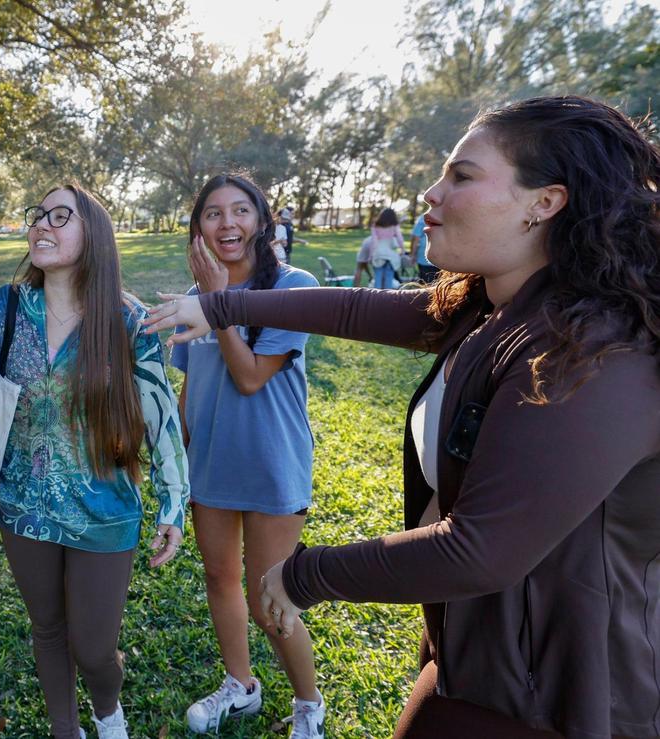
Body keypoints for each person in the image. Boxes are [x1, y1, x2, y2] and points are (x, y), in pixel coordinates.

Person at [144, 95, 660, 738]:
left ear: (544, 202)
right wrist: (219, 309)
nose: (431, 192)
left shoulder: (594, 351)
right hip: (477, 652)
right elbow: (355, 310)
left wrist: (306, 574)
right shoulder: (492, 309)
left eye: (461, 176)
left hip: (564, 696)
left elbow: (480, 551)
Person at [0, 184, 189, 739]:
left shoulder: (126, 319)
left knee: (94, 649)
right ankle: (64, 731)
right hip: (22, 504)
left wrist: (174, 503)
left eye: (59, 215)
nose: (42, 225)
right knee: (48, 629)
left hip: (104, 509)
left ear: (92, 233)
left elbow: (160, 414)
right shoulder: (5, 306)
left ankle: (107, 710)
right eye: (37, 216)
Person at [171, 175, 324, 738]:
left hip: (270, 462)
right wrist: (177, 459)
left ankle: (308, 706)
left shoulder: (293, 285)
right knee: (218, 577)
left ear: (261, 220)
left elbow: (251, 377)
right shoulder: (194, 292)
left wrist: (216, 303)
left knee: (270, 597)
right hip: (210, 462)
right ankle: (242, 686)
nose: (226, 224)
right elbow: (192, 384)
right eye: (212, 213)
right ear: (198, 228)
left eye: (239, 211)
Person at [354, 208, 404, 288]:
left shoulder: (376, 226)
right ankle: (387, 299)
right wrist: (402, 250)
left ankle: (376, 299)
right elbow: (400, 238)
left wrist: (370, 256)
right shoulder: (394, 226)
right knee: (389, 280)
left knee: (377, 280)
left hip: (378, 255)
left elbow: (374, 242)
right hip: (390, 257)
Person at [408, 213, 439, 283]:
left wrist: (412, 255)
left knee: (425, 281)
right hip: (442, 256)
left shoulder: (422, 219)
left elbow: (416, 239)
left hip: (425, 256)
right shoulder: (445, 216)